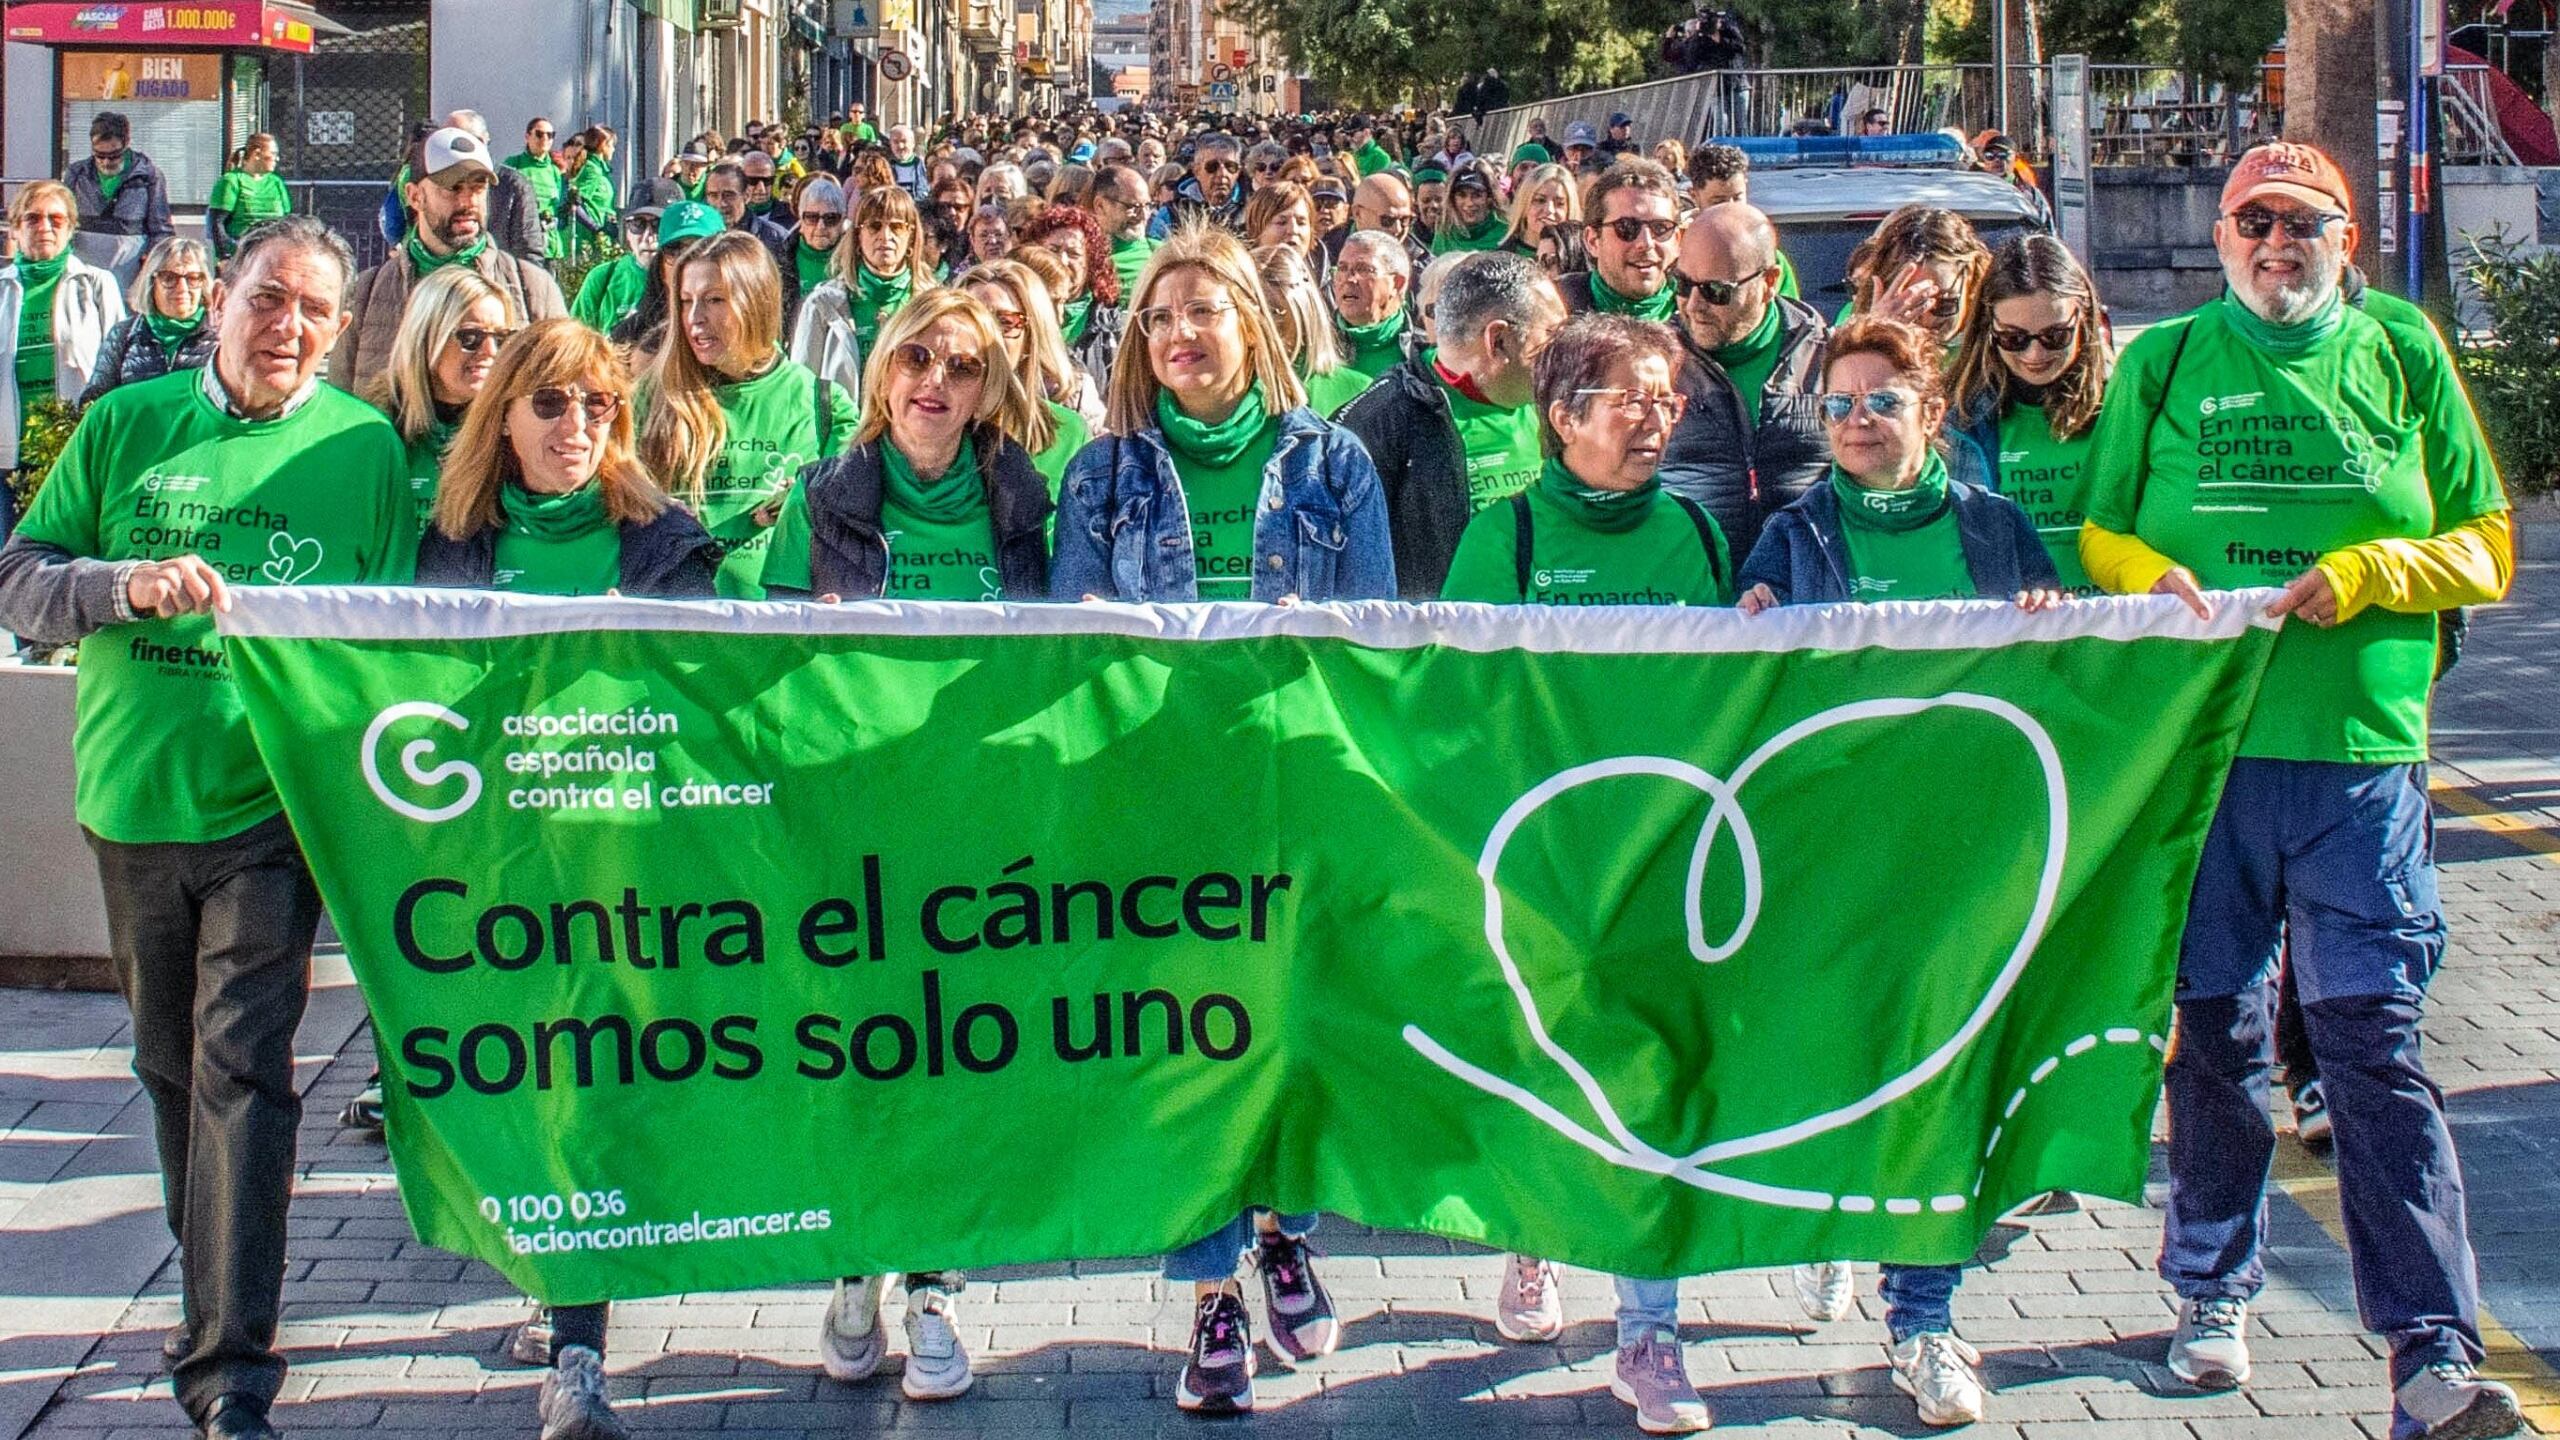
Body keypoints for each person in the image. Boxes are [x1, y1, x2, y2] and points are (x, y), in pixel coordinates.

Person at [2078, 141, 2520, 1440]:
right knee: (2212, 1045)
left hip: (2362, 767)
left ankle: (2431, 1357)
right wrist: (2144, 579)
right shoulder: (2161, 365)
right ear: (2222, 236)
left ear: (2348, 238)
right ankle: (2211, 1292)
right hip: (2202, 764)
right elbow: (2098, 531)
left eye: (2304, 223)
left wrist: (2381, 570)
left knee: (2371, 1048)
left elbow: (2487, 544)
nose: (2278, 243)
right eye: (2253, 221)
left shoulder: (2403, 350)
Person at [0, 215, 413, 1440]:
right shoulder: (127, 424)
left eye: (316, 314)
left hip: (273, 813)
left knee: (245, 1070)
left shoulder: (365, 450)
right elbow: (20, 572)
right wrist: (118, 587)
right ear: (221, 300)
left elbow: (383, 637)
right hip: (132, 798)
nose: (289, 329)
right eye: (269, 300)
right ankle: (208, 1278)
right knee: (172, 1067)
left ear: (342, 334)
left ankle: (231, 1369)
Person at [1050, 224, 1388, 1411]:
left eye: (1201, 311)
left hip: (1293, 795)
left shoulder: (1333, 463)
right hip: (1162, 810)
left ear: (1253, 318)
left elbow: (1370, 645)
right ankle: (1208, 1301)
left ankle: (1288, 1230)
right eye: (1156, 317)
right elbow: (1074, 653)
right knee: (1182, 1058)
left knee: (1293, 1035)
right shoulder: (1103, 474)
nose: (1179, 334)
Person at [1737, 314, 2057, 615]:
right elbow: (1763, 659)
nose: (1858, 420)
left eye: (1883, 402)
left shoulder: (1999, 522)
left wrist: (2045, 611)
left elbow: (2047, 654)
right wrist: (1756, 612)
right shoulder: (1793, 533)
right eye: (1838, 404)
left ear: (1931, 415)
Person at [764, 287, 1051, 604]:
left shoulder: (1023, 501)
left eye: (962, 367)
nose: (936, 380)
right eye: (915, 358)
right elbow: (777, 643)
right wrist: (809, 633)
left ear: (985, 392)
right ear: (885, 375)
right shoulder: (813, 497)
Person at [1441, 309, 1731, 611]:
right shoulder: (1501, 535)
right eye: (1634, 402)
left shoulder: (1695, 527)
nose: (1658, 422)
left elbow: (1728, 654)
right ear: (1565, 419)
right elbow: (1464, 657)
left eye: (1667, 403)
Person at [420, 316, 715, 600]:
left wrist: (632, 643)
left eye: (597, 403)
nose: (576, 424)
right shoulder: (455, 539)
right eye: (549, 401)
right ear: (502, 416)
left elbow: (696, 650)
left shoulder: (667, 541)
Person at [640, 229, 856, 597]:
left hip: (779, 631)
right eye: (686, 300)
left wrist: (808, 503)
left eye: (714, 300)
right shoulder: (650, 398)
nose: (695, 317)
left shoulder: (822, 402)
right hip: (673, 630)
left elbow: (855, 520)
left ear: (756, 301)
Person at [1339, 247, 1563, 598]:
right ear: (1499, 340)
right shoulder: (1371, 428)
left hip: (1546, 638)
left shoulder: (1562, 408)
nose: (1563, 354)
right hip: (1446, 644)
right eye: (1551, 336)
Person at [1655, 201, 1829, 563]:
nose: (1693, 305)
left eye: (1717, 291)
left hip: (1801, 593)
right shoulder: (1653, 361)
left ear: (1769, 282)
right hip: (1692, 589)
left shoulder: (1829, 360)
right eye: (1683, 284)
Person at [334, 126, 565, 391]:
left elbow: (559, 396)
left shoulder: (532, 288)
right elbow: (340, 407)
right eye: (452, 188)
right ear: (414, 196)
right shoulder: (367, 293)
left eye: (478, 187)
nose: (468, 201)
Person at [1943, 234, 2109, 592]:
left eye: (2055, 336)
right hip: (2012, 629)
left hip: (2111, 624)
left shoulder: (2122, 403)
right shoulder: (1955, 417)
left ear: (2084, 316)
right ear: (1989, 327)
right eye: (2014, 338)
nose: (2035, 355)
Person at [362, 265, 520, 532]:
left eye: (502, 338)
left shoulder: (515, 433)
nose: (490, 351)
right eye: (471, 337)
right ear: (426, 336)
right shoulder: (374, 431)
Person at [2, 181, 126, 522]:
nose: (44, 227)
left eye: (56, 220)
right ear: (15, 228)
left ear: (71, 229)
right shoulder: (2, 288)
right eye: (32, 219)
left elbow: (118, 367)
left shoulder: (96, 284)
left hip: (75, 445)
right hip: (9, 453)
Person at [957, 257, 1099, 489]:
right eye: (970, 318)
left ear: (1031, 337)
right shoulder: (930, 424)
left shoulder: (1069, 434)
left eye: (1004, 321)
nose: (984, 332)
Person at [790, 183, 932, 401]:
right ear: (858, 237)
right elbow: (801, 388)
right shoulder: (822, 303)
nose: (885, 236)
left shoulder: (931, 303)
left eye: (897, 227)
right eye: (874, 226)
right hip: (846, 429)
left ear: (911, 236)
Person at [78, 236, 216, 409]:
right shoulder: (123, 334)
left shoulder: (222, 336)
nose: (182, 288)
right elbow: (95, 401)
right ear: (152, 283)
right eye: (169, 278)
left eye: (193, 278)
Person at [1839, 204, 1989, 351]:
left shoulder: (1998, 338)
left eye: (1945, 303)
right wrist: (1879, 338)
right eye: (1909, 304)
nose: (1927, 319)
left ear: (1971, 283)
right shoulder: (1854, 324)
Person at [1018, 203, 1126, 387]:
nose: (1062, 260)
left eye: (1074, 253)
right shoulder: (1016, 318)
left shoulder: (1114, 328)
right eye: (1053, 250)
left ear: (1091, 262)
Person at [1256, 243, 1369, 417]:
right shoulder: (1217, 396)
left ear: (1305, 313)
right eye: (1249, 312)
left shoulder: (1358, 392)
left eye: (1274, 312)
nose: (1262, 323)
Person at [1559, 159, 1682, 319]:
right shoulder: (1554, 308)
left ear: (1677, 241)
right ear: (1593, 241)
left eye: (1660, 228)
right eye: (1627, 227)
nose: (1646, 243)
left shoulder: (1700, 319)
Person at [1685, 144, 1800, 297]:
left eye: (1738, 198)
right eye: (1719, 202)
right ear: (1694, 195)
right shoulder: (1676, 253)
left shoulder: (1768, 258)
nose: (1732, 210)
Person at [610, 200, 721, 360]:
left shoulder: (744, 332)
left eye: (700, 250)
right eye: (674, 250)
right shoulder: (629, 339)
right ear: (660, 267)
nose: (685, 261)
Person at [64, 111, 173, 245]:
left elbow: (161, 229)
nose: (106, 162)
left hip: (133, 264)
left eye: (114, 155)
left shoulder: (149, 176)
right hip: (82, 263)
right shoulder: (76, 173)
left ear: (127, 143)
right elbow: (64, 221)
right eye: (99, 155)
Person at [1328, 230, 1413, 382]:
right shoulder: (1314, 345)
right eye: (1342, 268)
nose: (1349, 279)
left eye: (1363, 269)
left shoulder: (1421, 352)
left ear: (1397, 284)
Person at [570, 205, 663, 335]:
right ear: (627, 233)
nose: (649, 236)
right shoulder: (602, 278)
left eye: (658, 225)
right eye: (638, 224)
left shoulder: (686, 281)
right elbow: (576, 344)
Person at [774, 175, 849, 330]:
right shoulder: (778, 261)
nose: (821, 226)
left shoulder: (856, 259)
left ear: (842, 221)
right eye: (811, 218)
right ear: (800, 221)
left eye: (830, 218)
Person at [206, 135, 289, 261]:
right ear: (257, 154)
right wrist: (224, 256)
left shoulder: (276, 183)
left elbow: (286, 220)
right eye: (272, 153)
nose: (276, 159)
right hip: (239, 256)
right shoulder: (231, 181)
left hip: (271, 255)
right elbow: (216, 224)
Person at [1090, 161, 1159, 300]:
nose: (1143, 215)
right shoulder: (1078, 254)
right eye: (1133, 207)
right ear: (1100, 206)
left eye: (1148, 205)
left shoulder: (1161, 253)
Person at [504, 117, 569, 265]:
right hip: (522, 244)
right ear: (527, 137)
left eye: (550, 135)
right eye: (539, 134)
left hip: (550, 246)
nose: (545, 138)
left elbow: (558, 208)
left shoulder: (554, 171)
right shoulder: (513, 164)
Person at [1163, 133, 1247, 235]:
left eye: (1230, 166)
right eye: (1212, 166)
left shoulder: (1252, 208)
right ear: (1196, 171)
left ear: (1238, 171)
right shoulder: (1170, 213)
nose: (1222, 173)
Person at [1499, 163, 1580, 258]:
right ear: (1524, 204)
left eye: (1560, 204)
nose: (1549, 210)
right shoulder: (1499, 258)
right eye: (1540, 200)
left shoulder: (1580, 264)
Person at [1429, 163, 1507, 255]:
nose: (1469, 203)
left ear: (1489, 197)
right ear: (1452, 199)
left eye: (1477, 195)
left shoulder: (1506, 235)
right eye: (1462, 195)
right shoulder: (1444, 233)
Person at [1243, 180, 1319, 260]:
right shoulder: (1239, 271)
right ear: (1256, 229)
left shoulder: (1323, 269)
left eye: (1301, 223)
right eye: (1282, 223)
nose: (1293, 230)